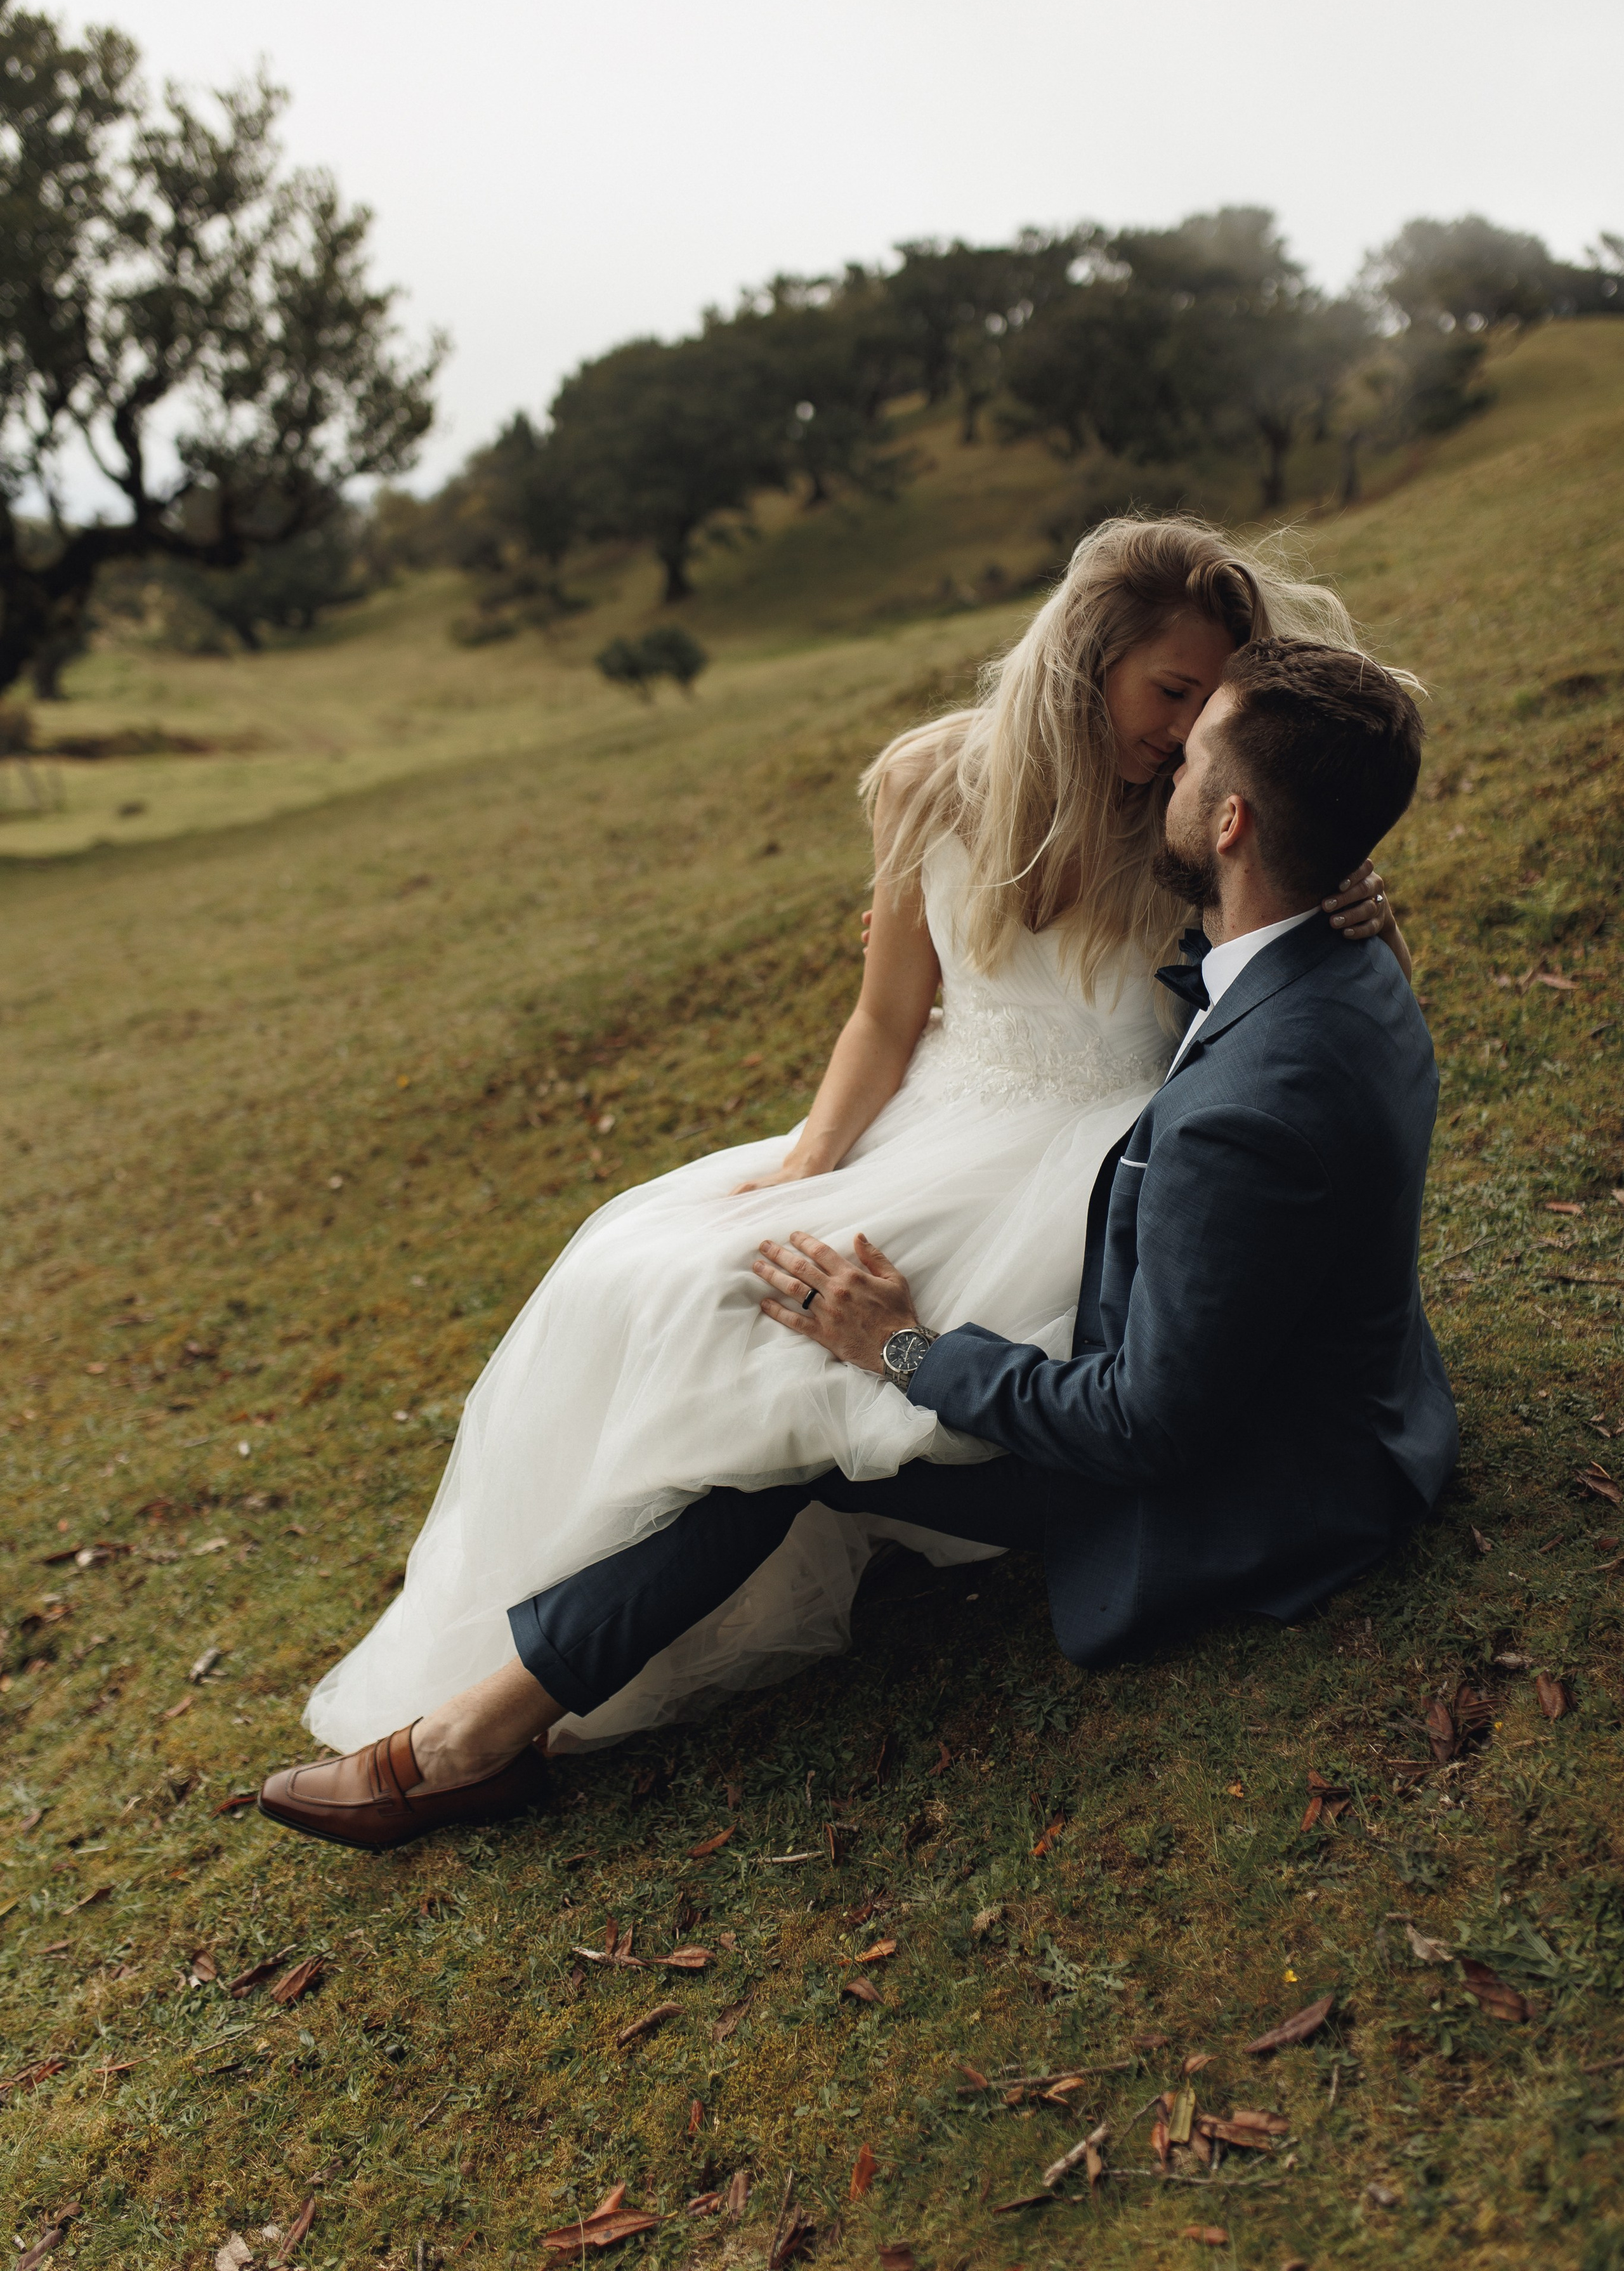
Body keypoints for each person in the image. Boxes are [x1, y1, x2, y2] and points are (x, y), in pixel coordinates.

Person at [259, 524, 1415, 1852]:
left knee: (788, 1375)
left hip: (1086, 1167)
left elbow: (1271, 926)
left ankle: (482, 1733)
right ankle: (513, 1682)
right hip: (946, 1114)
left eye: (1208, 711)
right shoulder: (932, 784)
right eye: (1170, 692)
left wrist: (1345, 890)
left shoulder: (1183, 828)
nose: (1182, 732)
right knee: (658, 1275)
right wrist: (803, 1174)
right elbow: (886, 1015)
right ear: (1087, 659)